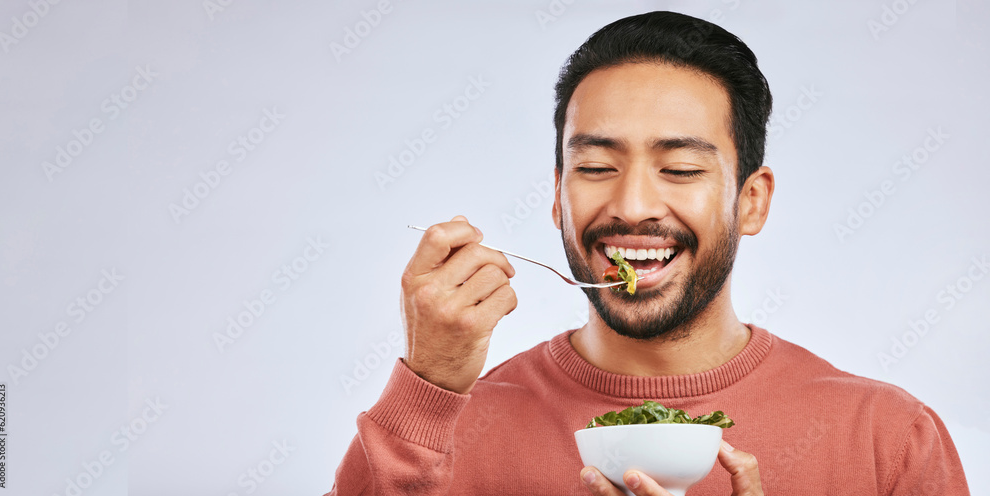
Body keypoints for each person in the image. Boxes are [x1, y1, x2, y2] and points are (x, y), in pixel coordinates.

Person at [326, 11, 970, 495]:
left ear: (752, 201)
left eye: (682, 168)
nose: (633, 205)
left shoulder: (887, 438)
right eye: (597, 166)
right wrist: (427, 386)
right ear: (557, 197)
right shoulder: (445, 433)